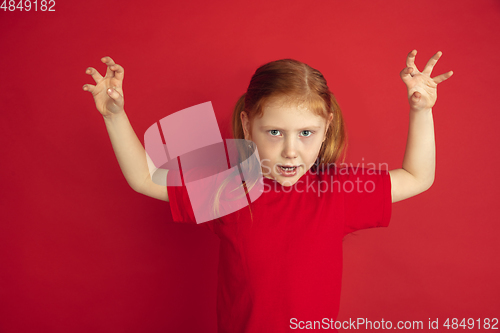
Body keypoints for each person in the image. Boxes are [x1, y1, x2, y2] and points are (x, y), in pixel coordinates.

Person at [82, 51, 453, 332]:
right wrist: (114, 116)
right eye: (275, 132)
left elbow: (417, 176)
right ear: (248, 125)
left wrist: (422, 111)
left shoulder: (337, 191)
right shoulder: (229, 189)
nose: (291, 150)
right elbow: (146, 178)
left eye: (305, 133)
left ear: (327, 128)